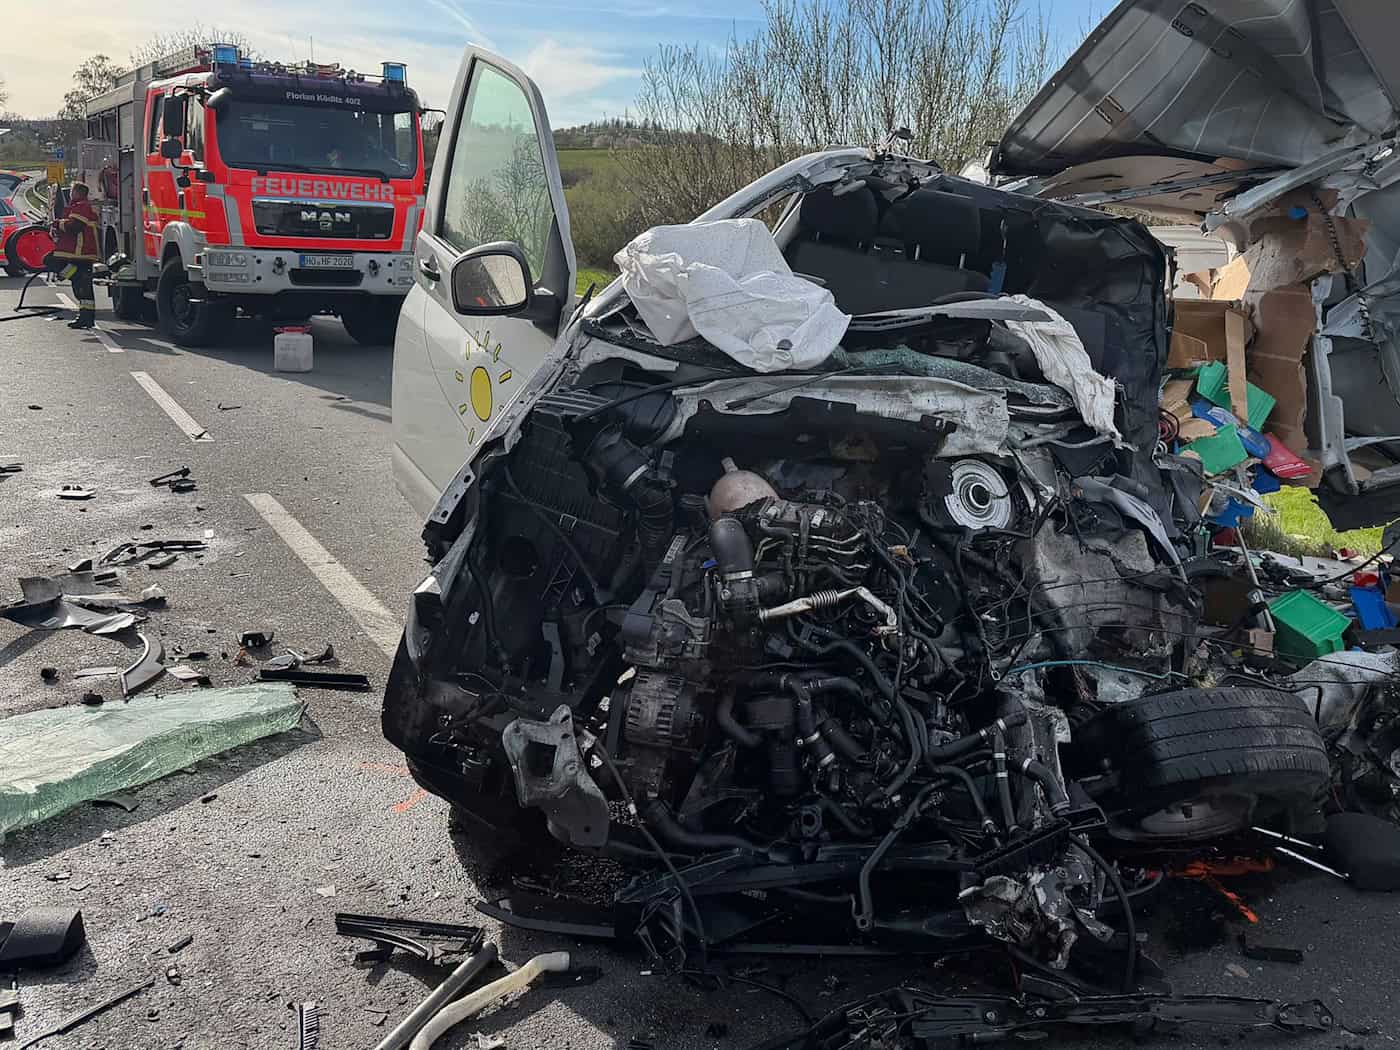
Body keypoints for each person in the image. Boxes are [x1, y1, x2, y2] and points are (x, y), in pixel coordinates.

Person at [47, 181, 100, 329]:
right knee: (83, 290)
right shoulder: (77, 206)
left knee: (51, 261)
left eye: (71, 191)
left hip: (81, 251)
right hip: (76, 251)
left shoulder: (82, 206)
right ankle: (85, 318)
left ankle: (76, 276)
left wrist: (58, 223)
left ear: (77, 192)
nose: (70, 194)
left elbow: (75, 227)